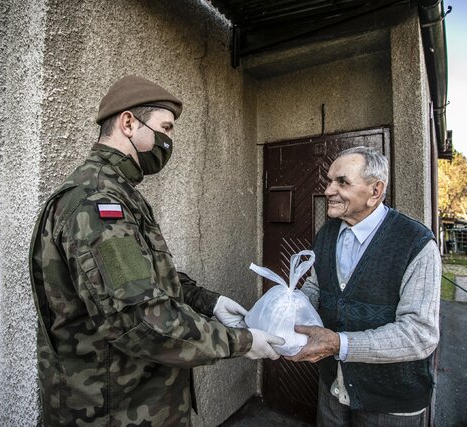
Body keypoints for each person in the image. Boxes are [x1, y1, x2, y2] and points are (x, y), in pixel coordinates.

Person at [29, 75, 284, 426]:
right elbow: (142, 320)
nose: (168, 141)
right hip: (116, 412)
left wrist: (209, 302)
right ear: (129, 122)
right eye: (165, 127)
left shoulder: (117, 193)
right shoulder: (98, 203)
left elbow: (142, 278)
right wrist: (241, 342)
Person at [288, 146, 441, 427]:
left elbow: (420, 334)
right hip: (333, 389)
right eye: (329, 181)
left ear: (375, 191)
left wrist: (340, 343)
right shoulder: (328, 232)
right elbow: (315, 288)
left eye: (342, 182)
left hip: (389, 401)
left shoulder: (416, 243)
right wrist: (285, 310)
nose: (329, 190)